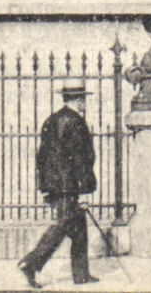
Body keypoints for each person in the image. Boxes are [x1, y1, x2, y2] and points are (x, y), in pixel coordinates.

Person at [18, 81, 98, 288]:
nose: (84, 102)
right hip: (69, 186)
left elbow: (42, 156)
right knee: (63, 224)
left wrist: (45, 184)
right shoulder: (76, 122)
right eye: (82, 98)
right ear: (77, 99)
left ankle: (81, 274)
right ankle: (31, 263)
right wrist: (84, 189)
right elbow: (81, 158)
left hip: (56, 183)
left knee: (79, 229)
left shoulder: (51, 120)